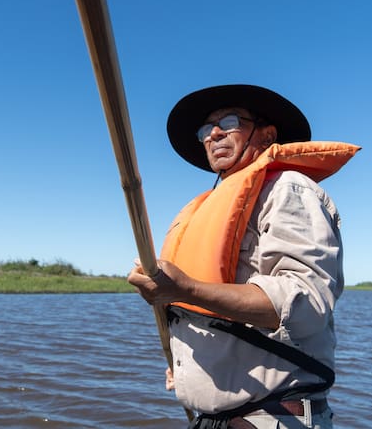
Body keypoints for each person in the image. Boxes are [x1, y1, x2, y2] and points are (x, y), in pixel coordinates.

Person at [128, 84, 359, 429]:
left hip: (271, 418)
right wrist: (190, 366)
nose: (214, 134)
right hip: (213, 419)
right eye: (206, 129)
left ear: (267, 136)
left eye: (229, 121)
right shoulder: (203, 208)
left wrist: (185, 289)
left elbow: (306, 306)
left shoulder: (288, 189)